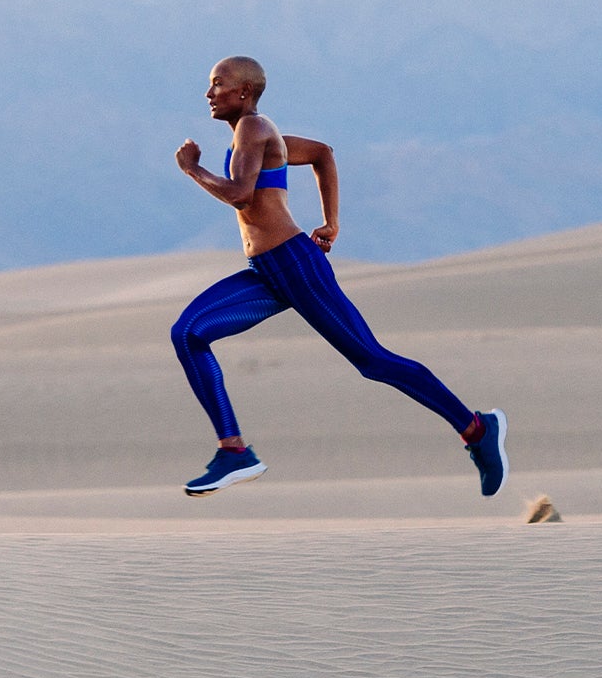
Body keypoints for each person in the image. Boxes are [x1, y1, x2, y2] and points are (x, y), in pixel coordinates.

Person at [171, 55, 507, 498]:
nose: (209, 93)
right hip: (268, 272)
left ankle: (477, 428)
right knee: (188, 333)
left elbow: (239, 195)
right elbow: (322, 154)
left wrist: (192, 168)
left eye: (217, 84)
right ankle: (233, 451)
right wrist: (331, 223)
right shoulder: (252, 136)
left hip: (295, 266)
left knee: (373, 360)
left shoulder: (253, 128)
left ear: (244, 93)